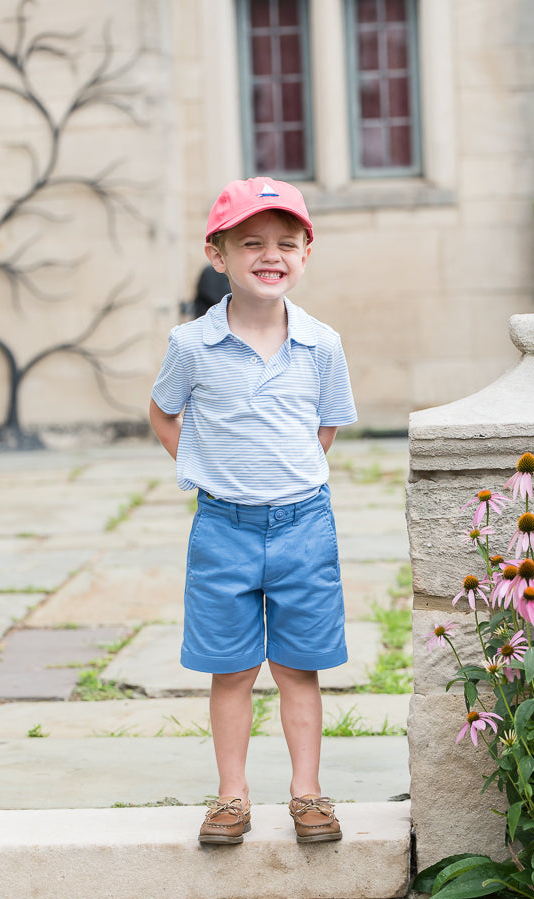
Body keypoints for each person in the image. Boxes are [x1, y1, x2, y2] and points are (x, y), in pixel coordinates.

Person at [149, 176, 357, 846]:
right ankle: (231, 796)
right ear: (220, 255)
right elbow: (163, 410)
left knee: (299, 664)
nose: (271, 255)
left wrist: (289, 476)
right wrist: (203, 467)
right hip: (223, 529)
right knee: (232, 667)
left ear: (304, 254)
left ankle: (307, 794)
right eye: (252, 243)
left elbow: (324, 426)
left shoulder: (322, 344)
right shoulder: (191, 346)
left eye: (286, 243)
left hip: (302, 526)